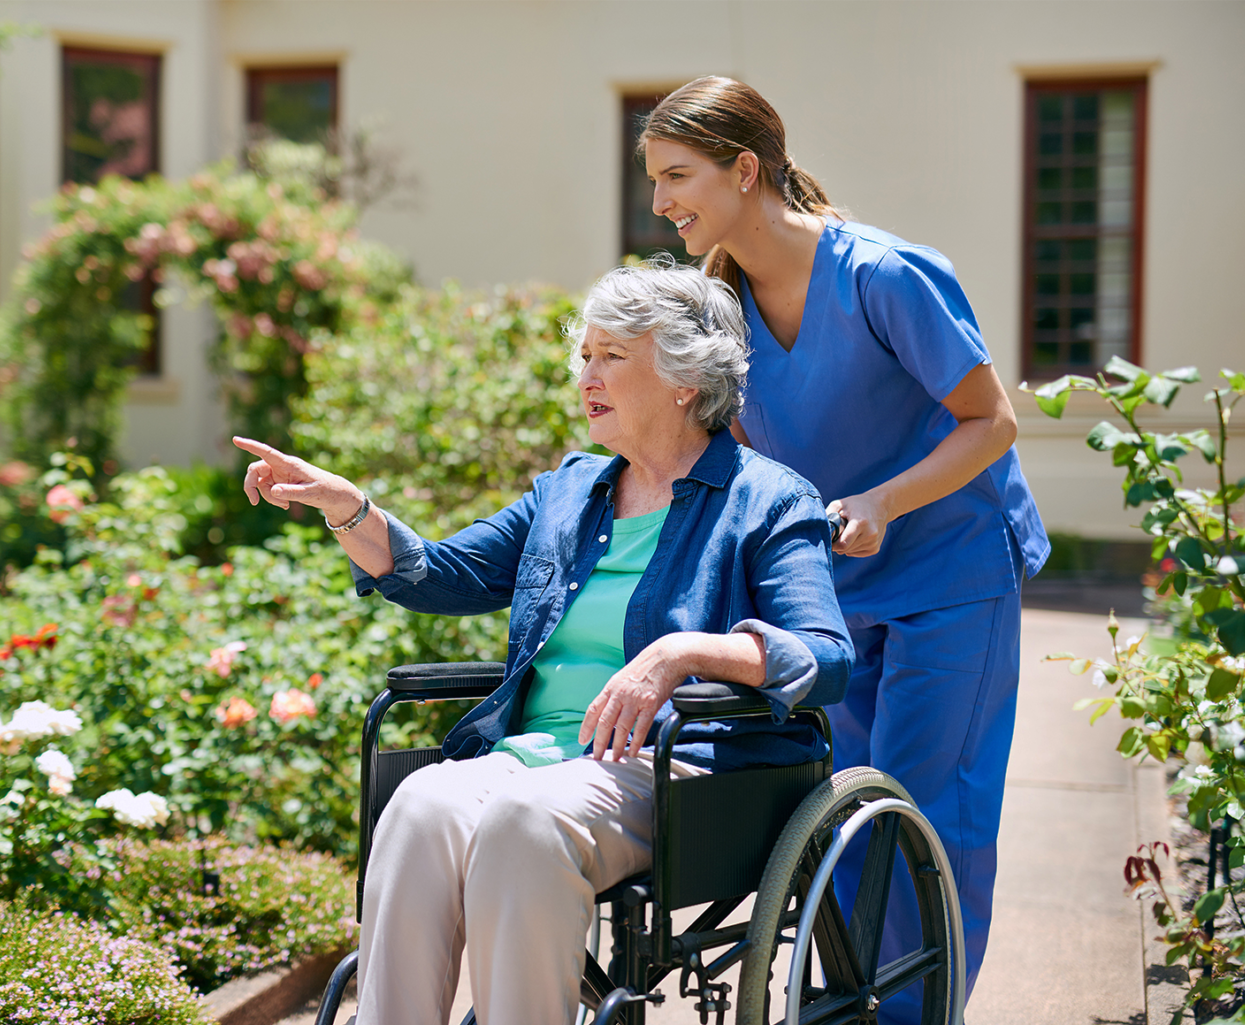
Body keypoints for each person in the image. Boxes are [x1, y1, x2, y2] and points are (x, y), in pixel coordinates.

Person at [235, 261, 852, 1025]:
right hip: (533, 760)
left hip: (675, 767)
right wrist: (349, 508)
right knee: (420, 805)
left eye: (612, 356)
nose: (586, 374)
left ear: (684, 378)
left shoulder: (768, 499)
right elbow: (443, 573)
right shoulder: (567, 493)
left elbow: (824, 655)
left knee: (525, 819)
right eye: (585, 354)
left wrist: (680, 652)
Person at [639, 77, 1050, 1016]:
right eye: (654, 179)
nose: (660, 202)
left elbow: (992, 422)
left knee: (929, 812)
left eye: (677, 175)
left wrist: (886, 500)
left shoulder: (886, 275)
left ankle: (913, 1007)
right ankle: (851, 1004)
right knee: (851, 816)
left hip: (951, 573)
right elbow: (730, 456)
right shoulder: (720, 308)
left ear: (746, 170)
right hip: (835, 590)